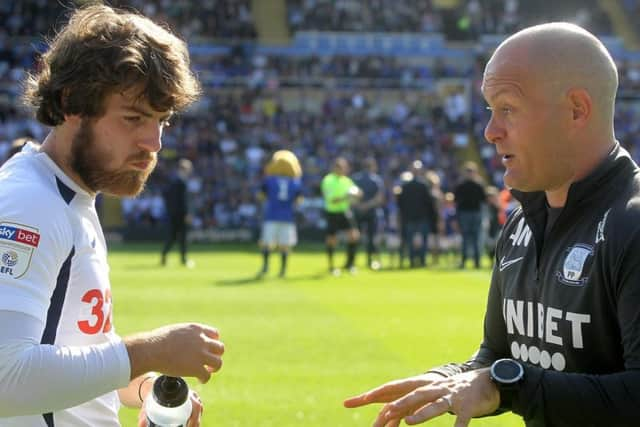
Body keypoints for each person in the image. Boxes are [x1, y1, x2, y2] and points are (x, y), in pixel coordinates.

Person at [344, 22, 640, 426]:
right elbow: (499, 358)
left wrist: (508, 385)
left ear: (576, 109)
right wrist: (449, 379)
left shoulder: (632, 223)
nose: (490, 132)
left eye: (508, 108)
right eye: (490, 110)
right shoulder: (521, 223)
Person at [0, 5, 224, 427]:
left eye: (163, 120)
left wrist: (141, 386)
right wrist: (147, 350)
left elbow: (73, 350)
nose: (154, 142)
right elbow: (5, 377)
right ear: (70, 103)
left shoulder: (71, 198)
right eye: (134, 118)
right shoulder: (28, 203)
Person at [257, 150, 303, 278]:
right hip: (287, 216)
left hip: (271, 215)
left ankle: (265, 267)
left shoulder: (269, 180)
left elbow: (261, 196)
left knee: (266, 243)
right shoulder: (295, 182)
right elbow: (298, 200)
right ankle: (282, 270)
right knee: (285, 245)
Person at [321, 157, 361, 276]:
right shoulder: (328, 180)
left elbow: (357, 193)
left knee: (354, 235)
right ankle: (331, 266)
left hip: (344, 211)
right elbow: (331, 200)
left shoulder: (346, 180)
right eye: (340, 167)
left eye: (344, 167)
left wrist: (358, 194)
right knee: (332, 239)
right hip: (332, 212)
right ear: (335, 168)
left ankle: (350, 264)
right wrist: (347, 196)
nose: (343, 170)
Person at [395, 160, 438, 268]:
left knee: (411, 241)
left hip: (411, 218)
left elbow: (400, 203)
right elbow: (429, 203)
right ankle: (421, 261)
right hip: (421, 217)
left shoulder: (405, 186)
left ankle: (412, 261)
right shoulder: (423, 185)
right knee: (422, 241)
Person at [352, 157, 384, 270]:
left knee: (355, 237)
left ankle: (351, 261)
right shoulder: (377, 180)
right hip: (372, 211)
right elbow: (379, 198)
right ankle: (370, 261)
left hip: (358, 211)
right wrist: (367, 205)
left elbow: (352, 196)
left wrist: (359, 206)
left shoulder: (355, 178)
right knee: (371, 238)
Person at [160, 158, 194, 267]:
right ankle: (183, 259)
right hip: (181, 214)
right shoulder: (181, 182)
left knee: (172, 237)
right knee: (182, 237)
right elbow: (184, 200)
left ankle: (164, 256)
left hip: (173, 214)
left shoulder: (173, 181)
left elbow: (167, 197)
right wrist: (187, 213)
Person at [454, 161, 487, 269]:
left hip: (474, 213)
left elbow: (483, 200)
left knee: (475, 238)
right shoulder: (463, 185)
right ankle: (464, 261)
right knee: (466, 239)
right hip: (466, 214)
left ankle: (476, 262)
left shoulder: (477, 185)